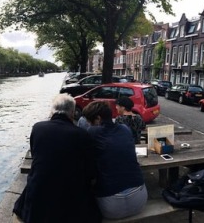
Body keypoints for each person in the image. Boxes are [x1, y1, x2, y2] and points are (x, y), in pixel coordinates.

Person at [13, 93, 101, 223]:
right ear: (72, 113)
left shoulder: (37, 128)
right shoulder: (81, 134)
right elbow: (90, 169)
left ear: (52, 110)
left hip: (39, 198)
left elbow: (35, 155)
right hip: (70, 198)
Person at [82, 101, 147, 219]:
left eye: (90, 121)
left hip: (112, 207)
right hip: (140, 199)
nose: (89, 124)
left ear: (98, 118)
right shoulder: (124, 129)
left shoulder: (92, 132)